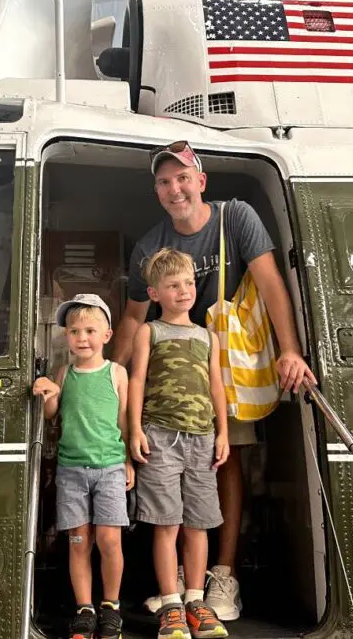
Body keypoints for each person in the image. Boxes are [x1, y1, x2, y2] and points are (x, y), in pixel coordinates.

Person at [113, 141, 316, 621]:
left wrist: (290, 349)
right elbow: (130, 319)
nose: (174, 188)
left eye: (182, 178)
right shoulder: (150, 245)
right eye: (164, 182)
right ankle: (181, 578)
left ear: (200, 182)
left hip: (224, 361)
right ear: (157, 191)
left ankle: (221, 575)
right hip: (168, 370)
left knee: (225, 461)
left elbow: (270, 284)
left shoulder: (236, 217)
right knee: (165, 470)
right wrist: (108, 374)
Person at [128, 247, 230, 639]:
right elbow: (136, 381)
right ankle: (170, 604)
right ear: (155, 294)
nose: (184, 291)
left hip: (202, 440)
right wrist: (135, 430)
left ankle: (196, 601)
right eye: (173, 285)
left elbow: (216, 386)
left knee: (199, 524)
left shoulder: (207, 337)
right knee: (166, 522)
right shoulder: (148, 332)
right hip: (160, 438)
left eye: (188, 283)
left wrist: (222, 432)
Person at [32, 294, 135, 639]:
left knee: (109, 540)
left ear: (107, 334)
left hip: (109, 468)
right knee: (79, 541)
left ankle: (111, 606)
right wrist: (47, 391)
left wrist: (128, 462)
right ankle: (85, 609)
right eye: (74, 331)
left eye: (90, 330)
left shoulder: (117, 373)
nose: (82, 337)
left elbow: (124, 421)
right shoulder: (63, 373)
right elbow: (51, 415)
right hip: (71, 470)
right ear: (66, 336)